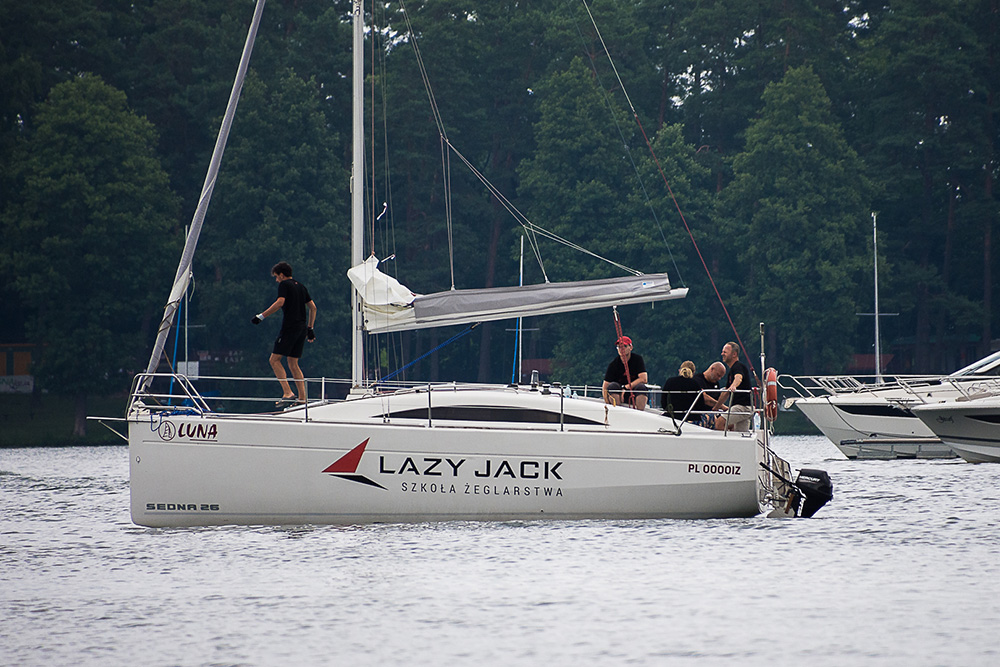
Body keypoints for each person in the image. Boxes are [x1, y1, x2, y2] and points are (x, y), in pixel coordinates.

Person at [251, 262, 317, 406]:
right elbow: (313, 307)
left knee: (274, 360)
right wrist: (310, 329)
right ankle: (302, 398)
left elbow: (280, 302)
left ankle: (288, 393)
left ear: (281, 275)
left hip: (290, 328)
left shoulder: (284, 285)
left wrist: (261, 316)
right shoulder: (301, 286)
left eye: (276, 277)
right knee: (293, 363)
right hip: (301, 328)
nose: (276, 280)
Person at [602, 335, 648, 410]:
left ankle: (640, 412)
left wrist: (626, 388)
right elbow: (605, 386)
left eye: (624, 346)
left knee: (641, 387)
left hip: (634, 392)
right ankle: (617, 410)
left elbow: (644, 379)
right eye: (619, 347)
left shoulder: (637, 359)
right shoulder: (613, 364)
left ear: (631, 347)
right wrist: (607, 403)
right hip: (618, 393)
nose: (621, 349)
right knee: (612, 386)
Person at [714, 342, 753, 431]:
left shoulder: (738, 367)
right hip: (744, 407)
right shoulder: (731, 371)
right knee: (740, 434)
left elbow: (738, 377)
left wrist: (734, 386)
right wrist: (716, 407)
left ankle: (722, 444)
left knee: (719, 423)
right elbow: (726, 393)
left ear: (734, 354)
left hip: (742, 407)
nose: (722, 354)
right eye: (722, 351)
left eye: (725, 352)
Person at [692, 361, 727, 427]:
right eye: (718, 375)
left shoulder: (716, 384)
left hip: (714, 412)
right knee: (719, 422)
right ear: (712, 369)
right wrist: (721, 406)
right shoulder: (697, 380)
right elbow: (705, 399)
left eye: (721, 377)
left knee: (729, 421)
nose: (719, 378)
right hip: (701, 412)